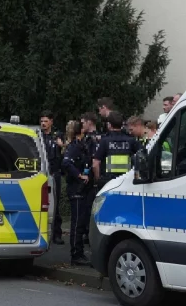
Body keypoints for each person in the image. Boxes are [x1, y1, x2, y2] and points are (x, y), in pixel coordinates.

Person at [61, 121, 92, 266]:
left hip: (82, 189)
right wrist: (79, 176)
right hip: (76, 189)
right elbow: (66, 163)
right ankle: (76, 254)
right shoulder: (74, 147)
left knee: (81, 221)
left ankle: (79, 252)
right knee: (77, 223)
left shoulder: (82, 145)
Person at [93, 111, 142, 187]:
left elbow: (95, 164)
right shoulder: (131, 140)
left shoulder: (105, 141)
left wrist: (98, 180)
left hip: (108, 182)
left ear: (109, 125)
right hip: (127, 181)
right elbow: (142, 159)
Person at [40, 111, 65, 245]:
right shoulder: (38, 136)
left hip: (54, 173)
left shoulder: (57, 136)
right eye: (42, 121)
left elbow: (66, 152)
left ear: (51, 122)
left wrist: (62, 146)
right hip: (42, 173)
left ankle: (57, 233)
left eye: (46, 121)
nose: (43, 123)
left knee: (55, 204)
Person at [79, 112, 99, 244]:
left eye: (83, 123)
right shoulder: (92, 137)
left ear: (89, 122)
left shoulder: (93, 139)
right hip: (89, 176)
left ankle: (88, 232)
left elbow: (93, 160)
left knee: (89, 206)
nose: (82, 125)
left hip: (91, 177)